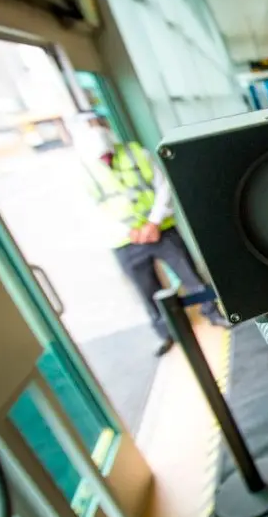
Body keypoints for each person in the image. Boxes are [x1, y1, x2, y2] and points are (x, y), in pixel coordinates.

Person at [81, 114, 229, 357]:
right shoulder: (85, 170)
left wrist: (153, 223)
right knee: (147, 291)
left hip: (160, 229)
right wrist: (130, 231)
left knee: (190, 276)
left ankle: (212, 313)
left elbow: (162, 186)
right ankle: (168, 333)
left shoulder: (136, 153)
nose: (96, 132)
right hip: (124, 241)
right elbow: (91, 209)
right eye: (89, 128)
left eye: (98, 126)